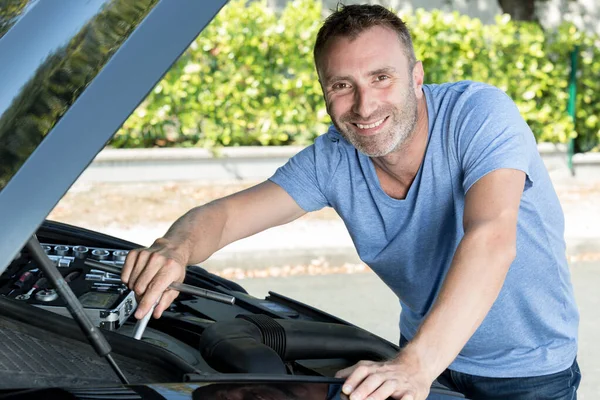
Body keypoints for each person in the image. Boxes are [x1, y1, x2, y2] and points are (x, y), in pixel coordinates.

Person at [121, 4, 580, 400]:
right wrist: (174, 249)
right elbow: (223, 217)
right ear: (324, 93)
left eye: (381, 77)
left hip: (527, 371)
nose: (364, 105)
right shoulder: (334, 160)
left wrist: (417, 364)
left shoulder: (478, 115)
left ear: (416, 77)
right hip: (419, 353)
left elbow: (491, 237)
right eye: (342, 85)